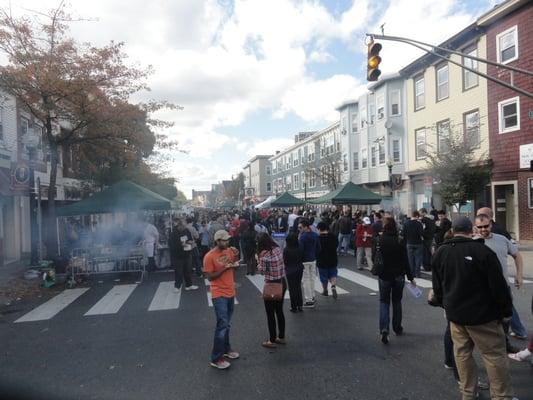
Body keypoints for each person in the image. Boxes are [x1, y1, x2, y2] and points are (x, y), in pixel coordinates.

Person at [431, 216, 517, 400]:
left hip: (456, 315)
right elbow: (499, 287)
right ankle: (501, 396)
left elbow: (437, 287)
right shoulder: (483, 252)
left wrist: (442, 302)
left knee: (462, 354)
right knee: (494, 357)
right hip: (483, 317)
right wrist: (505, 311)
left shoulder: (441, 252)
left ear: (453, 231)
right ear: (472, 230)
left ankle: (468, 393)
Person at [474, 213, 527, 345]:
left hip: (503, 287)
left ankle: (505, 343)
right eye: (479, 227)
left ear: (491, 224)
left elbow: (517, 256)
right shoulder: (473, 243)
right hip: (482, 290)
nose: (483, 229)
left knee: (506, 317)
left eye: (486, 226)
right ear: (475, 227)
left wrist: (519, 275)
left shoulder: (502, 239)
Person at [203, 230, 240, 369]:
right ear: (217, 241)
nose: (227, 242)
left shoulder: (229, 251)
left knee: (227, 324)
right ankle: (216, 358)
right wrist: (225, 268)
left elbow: (234, 268)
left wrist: (235, 257)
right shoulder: (209, 256)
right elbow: (210, 277)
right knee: (222, 325)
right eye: (224, 240)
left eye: (227, 240)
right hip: (218, 294)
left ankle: (226, 349)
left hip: (230, 292)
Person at [375, 217, 415, 344]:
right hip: (399, 275)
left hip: (384, 275)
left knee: (384, 301)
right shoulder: (400, 240)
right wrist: (411, 277)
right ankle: (397, 327)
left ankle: (384, 329)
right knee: (397, 301)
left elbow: (374, 257)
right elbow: (406, 261)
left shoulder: (379, 240)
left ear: (384, 227)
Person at [256, 232, 287, 348]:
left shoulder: (264, 256)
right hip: (282, 282)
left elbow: (263, 272)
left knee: (270, 313)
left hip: (271, 285)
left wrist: (258, 262)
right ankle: (282, 336)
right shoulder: (278, 249)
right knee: (279, 311)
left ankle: (272, 340)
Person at [169, 219, 198, 292]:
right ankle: (177, 286)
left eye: (185, 226)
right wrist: (181, 245)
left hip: (187, 253)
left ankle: (189, 285)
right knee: (178, 271)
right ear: (179, 225)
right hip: (177, 255)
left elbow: (190, 239)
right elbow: (171, 245)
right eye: (184, 226)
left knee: (188, 270)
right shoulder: (173, 233)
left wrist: (191, 242)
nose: (185, 227)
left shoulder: (186, 231)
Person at [298, 218, 320, 308]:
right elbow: (318, 248)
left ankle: (309, 300)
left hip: (304, 261)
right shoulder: (315, 235)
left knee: (305, 280)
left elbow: (300, 250)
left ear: (306, 227)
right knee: (311, 279)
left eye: (300, 227)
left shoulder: (302, 237)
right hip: (313, 259)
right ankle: (312, 296)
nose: (299, 229)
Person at [316, 222, 339, 299]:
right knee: (333, 274)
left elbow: (316, 249)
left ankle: (325, 290)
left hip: (322, 260)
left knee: (323, 276)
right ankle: (333, 286)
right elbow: (337, 245)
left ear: (319, 229)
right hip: (333, 258)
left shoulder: (318, 238)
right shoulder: (333, 236)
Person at [283, 233, 304, 312]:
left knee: (292, 288)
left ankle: (294, 306)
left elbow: (285, 261)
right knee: (298, 286)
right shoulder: (300, 247)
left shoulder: (286, 249)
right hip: (299, 268)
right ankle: (300, 305)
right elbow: (303, 257)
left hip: (290, 270)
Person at [402, 211, 424, 278]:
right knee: (418, 259)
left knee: (410, 259)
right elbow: (421, 233)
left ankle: (411, 273)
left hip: (409, 243)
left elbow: (404, 234)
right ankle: (417, 273)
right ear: (417, 216)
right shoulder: (419, 224)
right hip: (418, 243)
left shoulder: (406, 223)